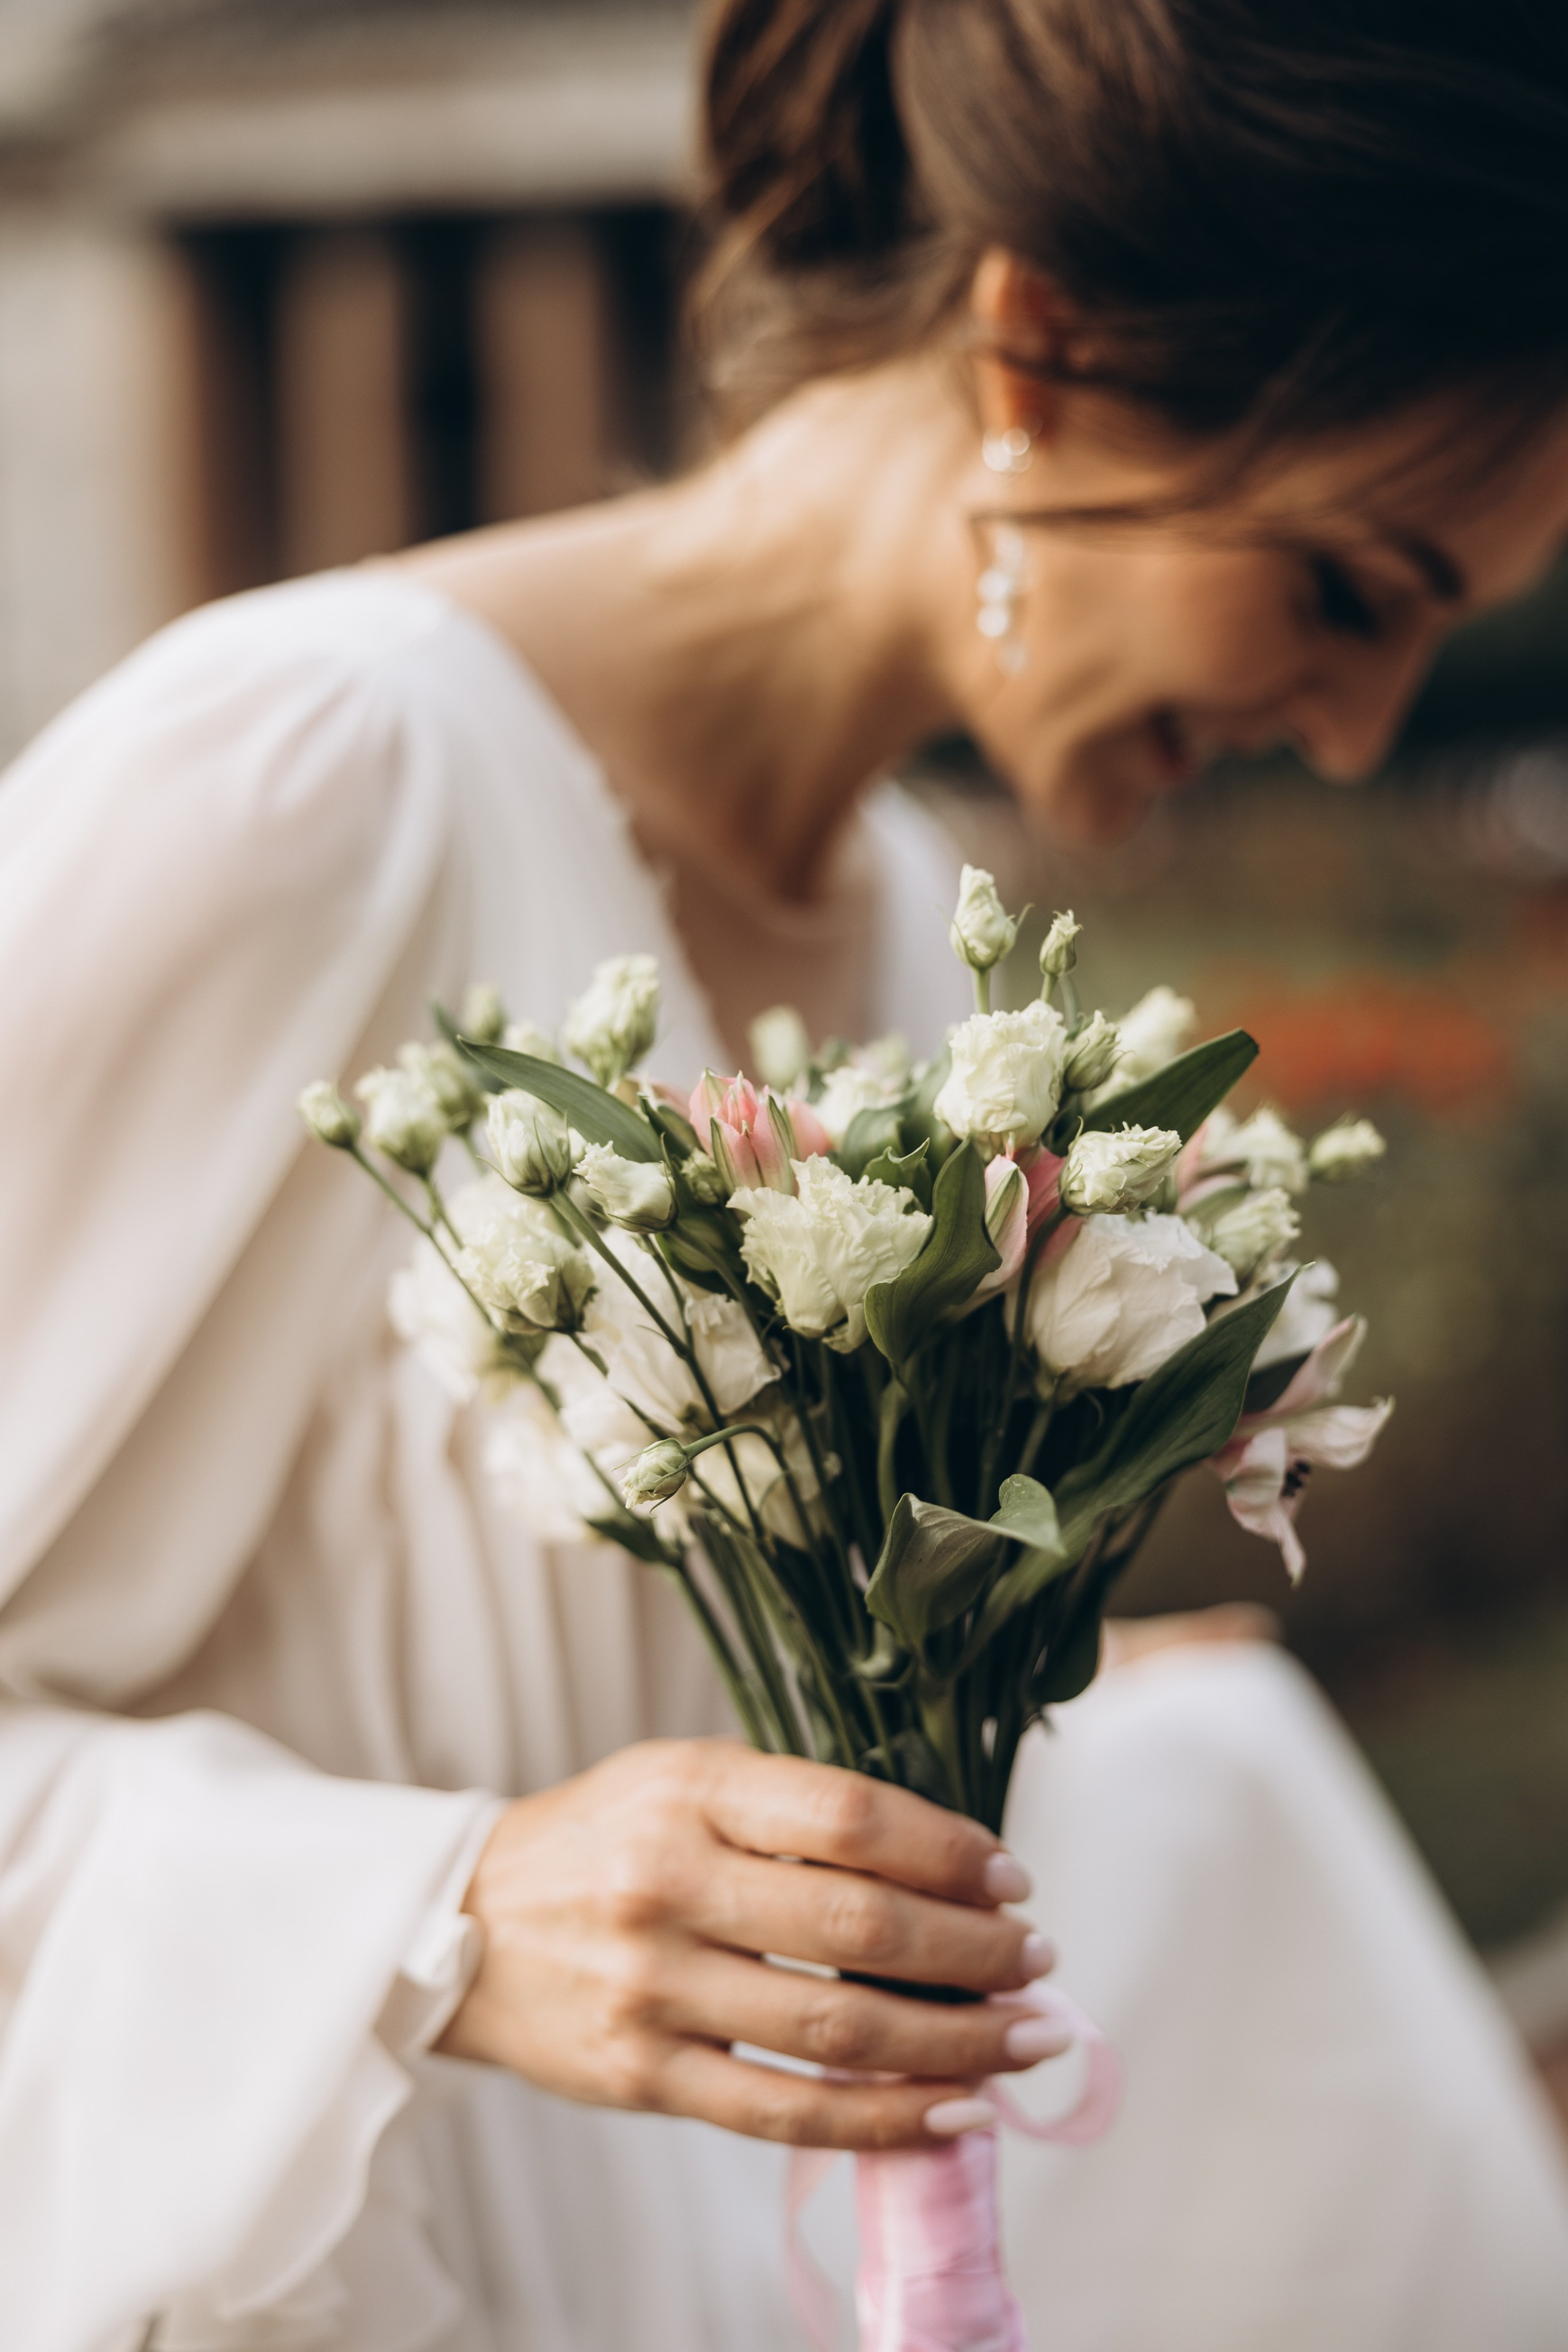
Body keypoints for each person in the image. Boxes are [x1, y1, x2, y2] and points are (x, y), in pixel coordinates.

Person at [4, 1, 1568, 2345]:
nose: (1350, 734)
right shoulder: (307, 788)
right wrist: (441, 1917)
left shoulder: (920, 957)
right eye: (1343, 587)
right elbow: (485, 1832)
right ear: (1038, 346)